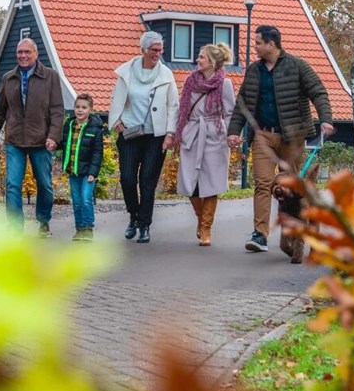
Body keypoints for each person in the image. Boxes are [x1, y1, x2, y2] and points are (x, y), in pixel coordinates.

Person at [227, 24, 334, 253]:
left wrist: (326, 118)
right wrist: (234, 131)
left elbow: (318, 91)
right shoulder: (254, 70)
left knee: (294, 188)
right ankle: (260, 235)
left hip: (292, 135)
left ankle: (295, 233)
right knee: (263, 183)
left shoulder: (297, 66)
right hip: (263, 134)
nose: (254, 47)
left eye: (257, 43)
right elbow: (242, 102)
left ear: (271, 44)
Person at [108, 31, 178, 244]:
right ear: (143, 50)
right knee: (128, 179)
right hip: (130, 132)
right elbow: (116, 99)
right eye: (154, 50)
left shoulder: (166, 75)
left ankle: (144, 224)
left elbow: (173, 106)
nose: (158, 53)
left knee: (147, 182)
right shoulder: (127, 72)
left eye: (160, 50)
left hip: (155, 136)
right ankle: (133, 216)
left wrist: (170, 133)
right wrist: (116, 121)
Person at [0, 37, 65, 237]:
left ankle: (43, 222)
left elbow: (57, 110)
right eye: (19, 52)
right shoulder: (8, 78)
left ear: (36, 54)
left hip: (41, 140)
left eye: (27, 52)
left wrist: (54, 136)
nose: (22, 56)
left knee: (44, 184)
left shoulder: (50, 77)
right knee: (13, 184)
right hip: (14, 140)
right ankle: (15, 227)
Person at [171, 43, 236, 247]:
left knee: (211, 184)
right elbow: (182, 111)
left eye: (201, 57)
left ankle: (206, 228)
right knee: (191, 183)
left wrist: (231, 135)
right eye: (198, 57)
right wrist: (176, 134)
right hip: (192, 134)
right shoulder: (191, 81)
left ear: (213, 62)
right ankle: (201, 219)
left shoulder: (225, 83)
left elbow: (229, 112)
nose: (197, 60)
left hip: (215, 135)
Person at [60, 93, 104, 240]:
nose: (80, 110)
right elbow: (64, 143)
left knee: (86, 199)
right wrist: (53, 145)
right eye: (77, 107)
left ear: (90, 110)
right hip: (73, 171)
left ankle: (88, 228)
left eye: (84, 108)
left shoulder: (95, 129)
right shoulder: (69, 125)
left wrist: (93, 172)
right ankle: (79, 228)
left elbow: (98, 152)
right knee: (77, 201)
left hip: (88, 173)